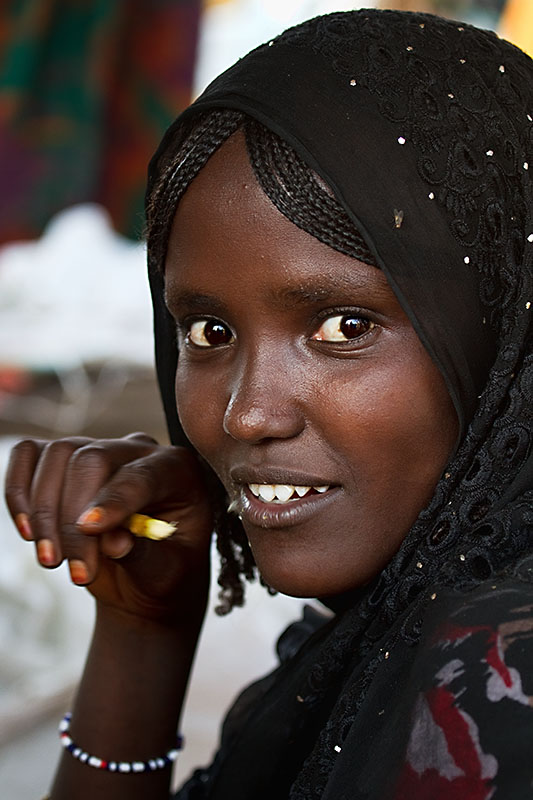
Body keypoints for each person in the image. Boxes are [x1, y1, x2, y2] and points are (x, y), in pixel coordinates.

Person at [5, 8, 533, 799]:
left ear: (502, 331)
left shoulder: (494, 679)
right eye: (208, 330)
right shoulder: (380, 628)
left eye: (343, 326)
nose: (247, 415)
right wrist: (143, 634)